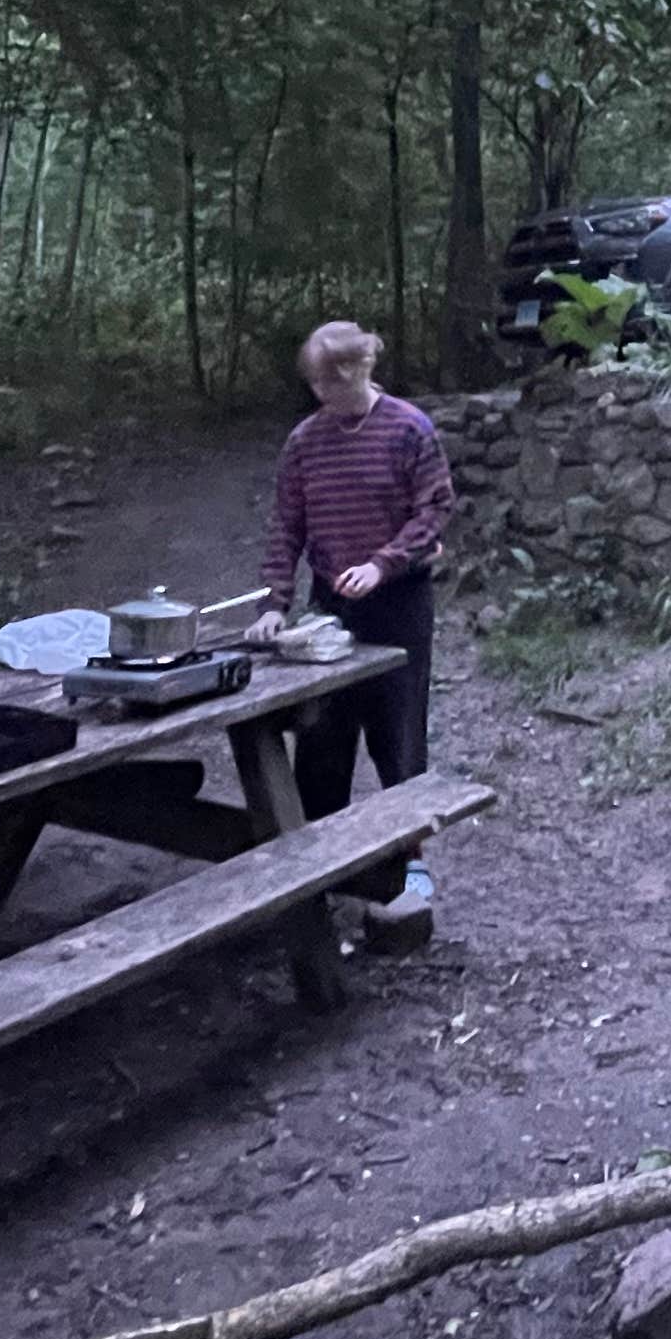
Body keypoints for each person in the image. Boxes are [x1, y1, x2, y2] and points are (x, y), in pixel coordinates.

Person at [263, 320, 451, 947]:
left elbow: (434, 512)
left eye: (322, 381)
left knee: (397, 735)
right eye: (312, 382)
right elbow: (287, 525)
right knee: (321, 738)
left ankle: (410, 866)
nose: (315, 392)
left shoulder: (408, 429)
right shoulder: (304, 443)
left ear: (352, 374)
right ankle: (324, 872)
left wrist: (383, 563)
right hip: (330, 610)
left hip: (397, 605)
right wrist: (273, 603)